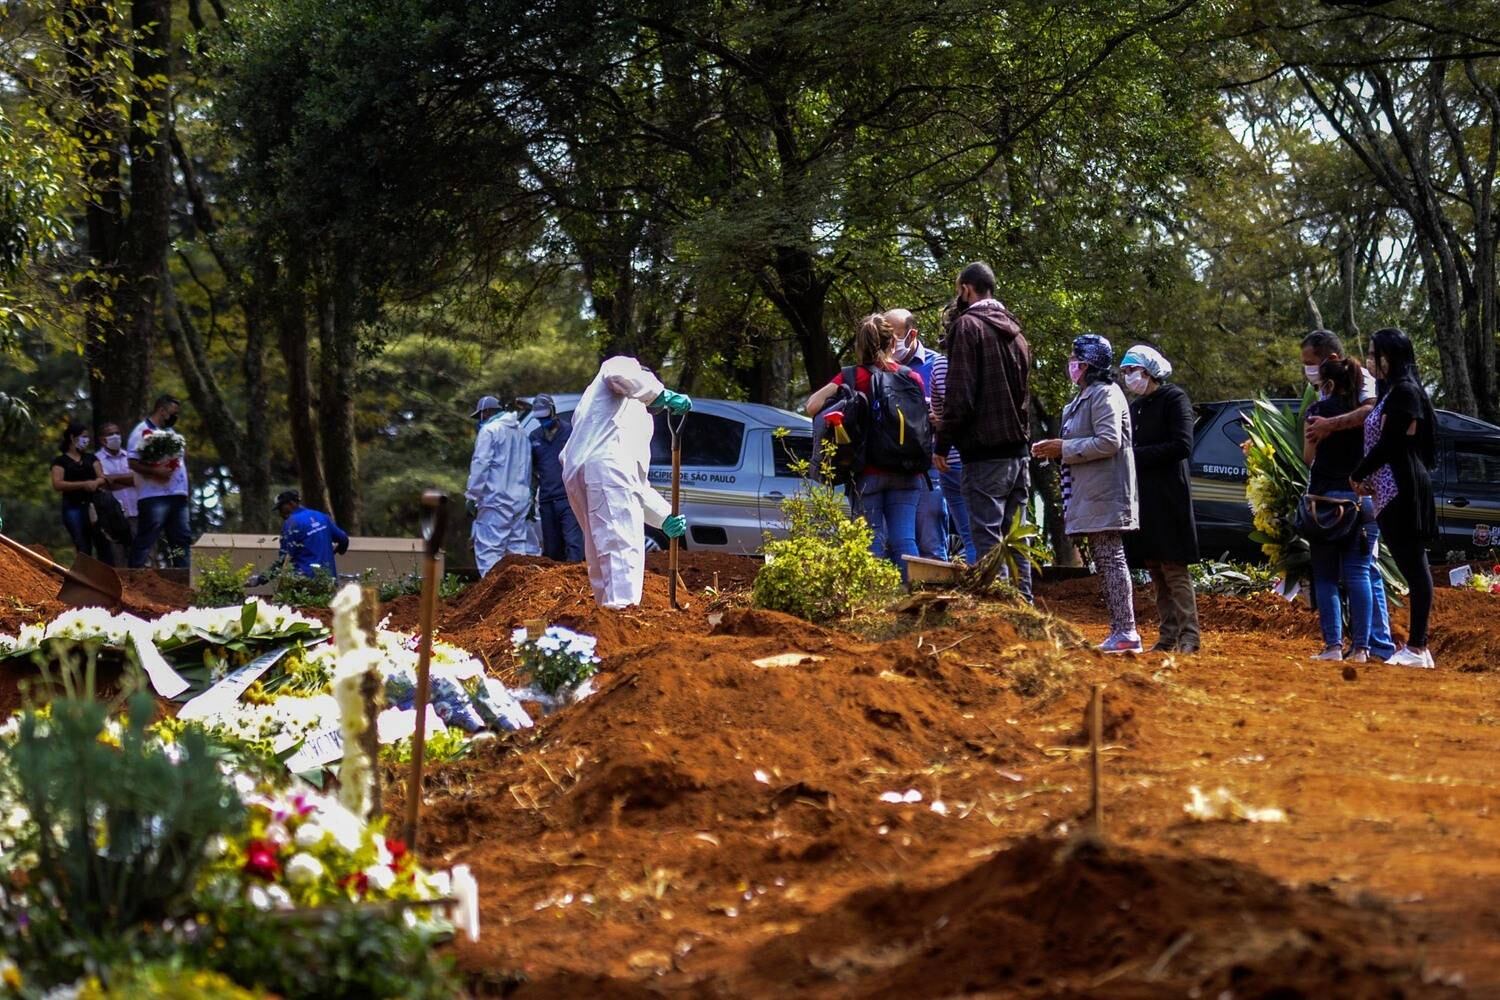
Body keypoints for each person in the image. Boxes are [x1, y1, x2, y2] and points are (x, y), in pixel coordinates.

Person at [1033, 334, 1141, 653]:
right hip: (1091, 491)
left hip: (1105, 492)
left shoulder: (1105, 395)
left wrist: (1063, 447)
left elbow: (1109, 441)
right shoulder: (1085, 397)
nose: (1071, 363)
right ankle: (1121, 629)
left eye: (1074, 357)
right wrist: (1054, 450)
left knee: (1111, 557)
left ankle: (1126, 631)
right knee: (1105, 558)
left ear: (1089, 362)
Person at [932, 261, 1033, 600]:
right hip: (1018, 453)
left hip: (984, 453)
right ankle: (1026, 609)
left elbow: (959, 398)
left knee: (988, 538)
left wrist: (942, 445)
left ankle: (1001, 611)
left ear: (966, 289)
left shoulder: (967, 326)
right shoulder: (1017, 333)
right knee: (1017, 538)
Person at [1300, 328, 1397, 661]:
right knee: (1359, 573)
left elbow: (1308, 459)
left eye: (1310, 364)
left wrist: (1322, 431)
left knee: (1325, 575)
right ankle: (1364, 648)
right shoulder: (1367, 412)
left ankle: (1332, 647)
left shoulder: (1317, 412)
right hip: (1361, 497)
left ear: (1328, 370)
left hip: (1324, 500)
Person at [562, 358, 690, 609]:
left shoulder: (625, 415)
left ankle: (606, 617)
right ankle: (623, 612)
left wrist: (664, 515)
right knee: (621, 545)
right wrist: (661, 394)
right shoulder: (623, 366)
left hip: (584, 473)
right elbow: (617, 373)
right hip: (604, 469)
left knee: (601, 550)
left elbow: (634, 481)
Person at [805, 313, 925, 581]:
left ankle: (874, 603)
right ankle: (909, 601)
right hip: (907, 471)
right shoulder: (912, 377)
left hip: (866, 472)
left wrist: (836, 393)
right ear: (892, 343)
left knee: (870, 540)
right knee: (904, 539)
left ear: (859, 345)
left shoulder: (850, 376)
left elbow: (812, 406)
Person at [1351, 327, 1439, 669]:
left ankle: (1417, 646)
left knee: (1415, 567)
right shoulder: (1392, 393)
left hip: (1402, 489)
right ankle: (1419, 648)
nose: (1371, 360)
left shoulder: (1405, 393)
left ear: (1390, 357)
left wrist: (1359, 473)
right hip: (1387, 489)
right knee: (1411, 565)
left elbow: (1391, 443)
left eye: (1375, 354)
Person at [1120, 345, 1200, 653]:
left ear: (1149, 371)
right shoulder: (1136, 407)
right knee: (1154, 566)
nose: (1129, 377)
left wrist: (1134, 457)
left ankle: (1189, 636)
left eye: (1133, 371)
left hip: (1169, 494)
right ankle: (1168, 635)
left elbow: (1182, 445)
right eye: (1125, 372)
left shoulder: (1174, 399)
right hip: (1144, 497)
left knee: (1173, 567)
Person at [885, 308, 948, 560]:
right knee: (894, 541)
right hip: (890, 465)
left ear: (912, 335)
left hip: (928, 465)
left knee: (930, 538)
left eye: (895, 336)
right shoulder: (879, 368)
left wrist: (939, 415)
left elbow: (959, 409)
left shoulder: (937, 365)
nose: (890, 344)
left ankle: (937, 594)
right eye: (884, 336)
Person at [466, 394, 533, 577]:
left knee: (489, 550)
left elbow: (481, 464)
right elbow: (526, 466)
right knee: (517, 551)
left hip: (495, 500)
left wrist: (472, 496)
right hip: (520, 499)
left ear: (486, 412)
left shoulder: (489, 431)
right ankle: (517, 595)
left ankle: (491, 595)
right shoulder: (521, 432)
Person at [128, 395, 193, 569]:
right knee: (148, 535)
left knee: (181, 537)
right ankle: (135, 573)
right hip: (154, 495)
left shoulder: (171, 433)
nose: (174, 417)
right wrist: (155, 471)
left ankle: (183, 575)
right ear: (162, 410)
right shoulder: (141, 431)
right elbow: (132, 461)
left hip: (177, 494)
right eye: (172, 412)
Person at [529, 394, 584, 562]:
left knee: (573, 544)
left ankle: (578, 582)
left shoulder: (570, 432)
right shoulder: (534, 437)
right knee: (552, 549)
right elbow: (533, 472)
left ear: (553, 411)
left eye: (545, 417)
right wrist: (530, 499)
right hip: (547, 500)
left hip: (568, 498)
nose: (544, 422)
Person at [50, 421, 108, 560]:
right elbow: (58, 484)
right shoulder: (60, 461)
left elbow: (102, 477)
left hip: (95, 505)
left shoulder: (91, 458)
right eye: (83, 436)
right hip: (73, 506)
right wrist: (83, 484)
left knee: (103, 543)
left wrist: (95, 483)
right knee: (82, 544)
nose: (86, 440)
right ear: (72, 437)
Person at [272, 490, 349, 579]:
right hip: (328, 579)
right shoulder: (321, 516)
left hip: (305, 582)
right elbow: (343, 539)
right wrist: (336, 551)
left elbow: (284, 559)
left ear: (291, 503)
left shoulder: (291, 523)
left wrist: (261, 579)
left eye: (281, 508)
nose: (280, 513)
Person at [95, 421, 137, 565]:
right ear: (102, 439)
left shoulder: (131, 457)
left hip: (135, 511)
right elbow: (103, 484)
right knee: (117, 557)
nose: (115, 436)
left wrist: (114, 478)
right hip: (113, 515)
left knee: (139, 555)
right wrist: (127, 479)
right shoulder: (96, 460)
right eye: (110, 434)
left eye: (117, 433)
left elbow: (138, 479)